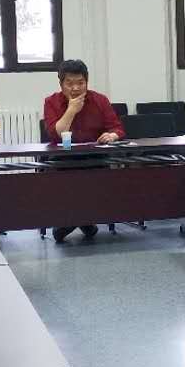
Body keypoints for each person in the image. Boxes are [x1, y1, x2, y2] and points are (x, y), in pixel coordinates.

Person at [41, 59, 125, 243]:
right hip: (63, 159)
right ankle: (85, 221)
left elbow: (117, 128)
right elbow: (56, 134)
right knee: (67, 180)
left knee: (96, 177)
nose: (75, 88)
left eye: (80, 83)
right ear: (61, 84)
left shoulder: (100, 100)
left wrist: (111, 135)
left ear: (87, 82)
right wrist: (71, 110)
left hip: (94, 157)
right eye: (69, 83)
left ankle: (73, 222)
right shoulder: (51, 102)